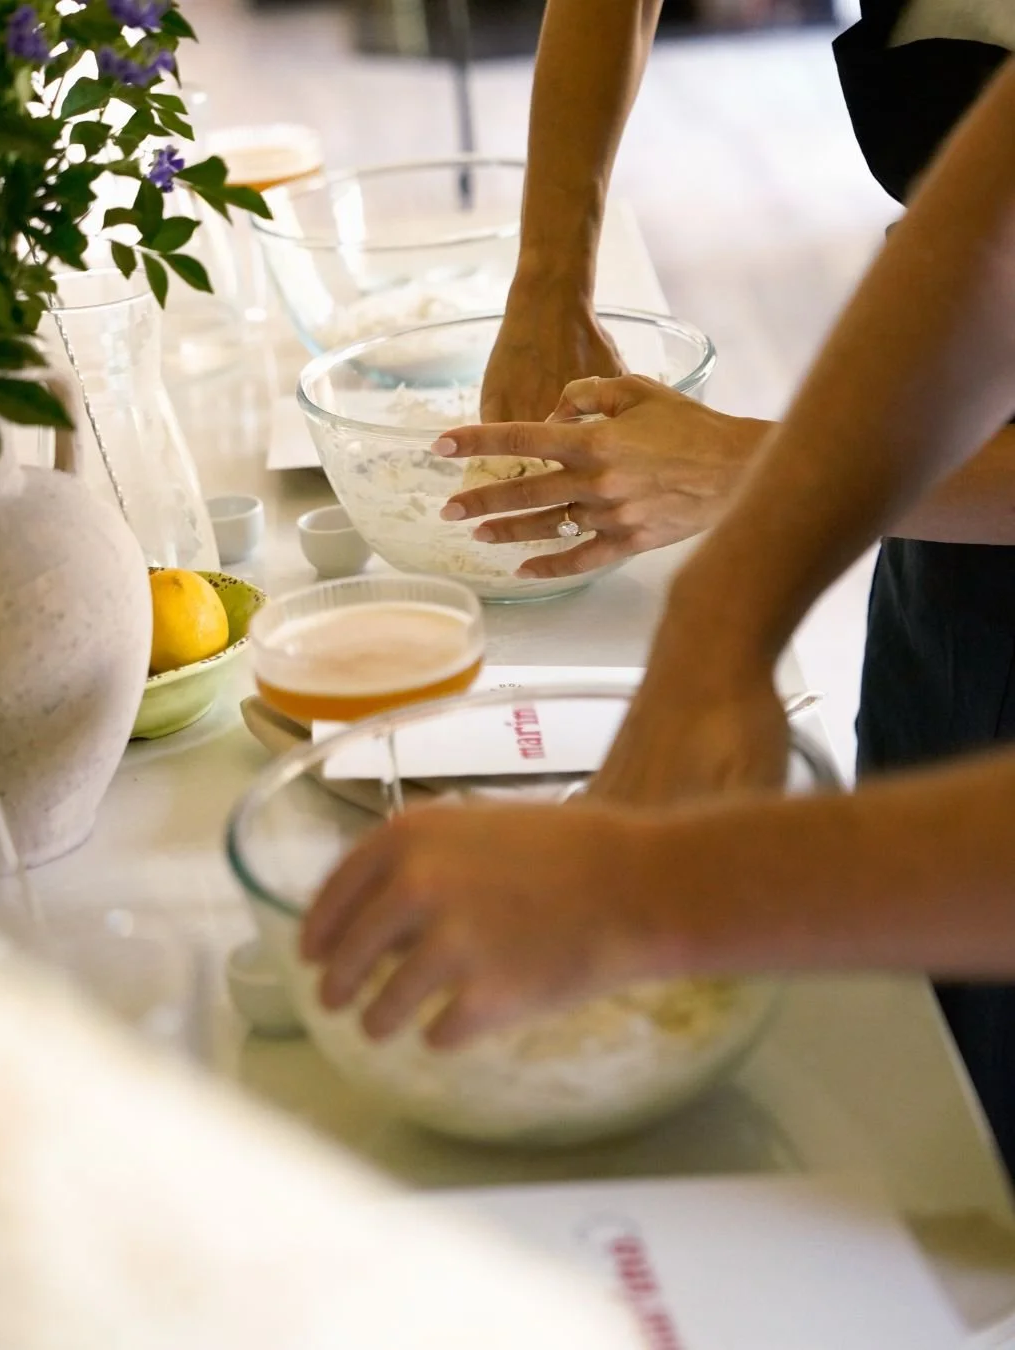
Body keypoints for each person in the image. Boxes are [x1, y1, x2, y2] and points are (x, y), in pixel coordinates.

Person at [298, 59, 1015, 1069]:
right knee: (934, 1060)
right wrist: (713, 630)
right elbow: (994, 223)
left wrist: (648, 893)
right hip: (946, 539)